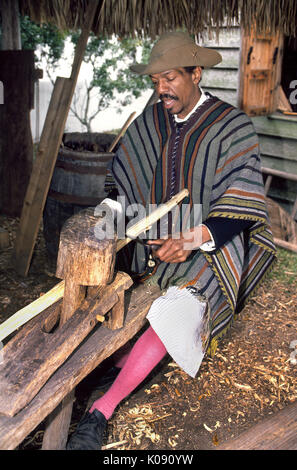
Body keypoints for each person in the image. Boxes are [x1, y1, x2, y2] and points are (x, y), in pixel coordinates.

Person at [67, 31, 276, 450]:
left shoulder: (232, 126)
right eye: (155, 80)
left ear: (196, 74)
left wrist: (194, 238)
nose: (161, 89)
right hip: (156, 237)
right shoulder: (151, 121)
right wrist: (102, 221)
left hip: (211, 242)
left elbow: (243, 196)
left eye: (170, 79)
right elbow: (125, 183)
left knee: (176, 308)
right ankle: (109, 365)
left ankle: (100, 411)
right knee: (116, 287)